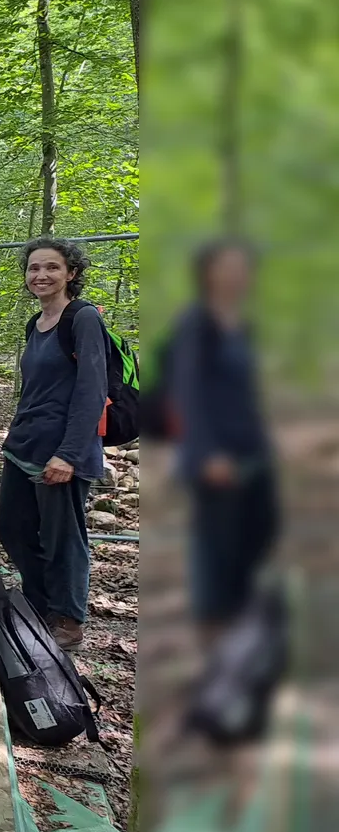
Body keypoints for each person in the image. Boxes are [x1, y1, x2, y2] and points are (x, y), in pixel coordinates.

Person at [0, 236, 109, 652]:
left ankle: (67, 620)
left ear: (71, 273)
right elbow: (37, 390)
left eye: (52, 267)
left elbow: (92, 391)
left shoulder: (83, 318)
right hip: (24, 446)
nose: (41, 275)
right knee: (13, 526)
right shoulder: (35, 324)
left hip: (62, 453)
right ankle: (39, 603)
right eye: (34, 268)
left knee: (63, 539)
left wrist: (70, 454)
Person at [168, 239, 278, 647]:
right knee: (217, 545)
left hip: (256, 453)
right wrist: (206, 452)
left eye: (241, 267)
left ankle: (242, 619)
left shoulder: (248, 326)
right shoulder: (196, 324)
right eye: (224, 267)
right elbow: (187, 394)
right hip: (213, 458)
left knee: (259, 535)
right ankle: (215, 634)